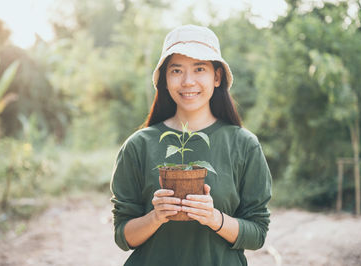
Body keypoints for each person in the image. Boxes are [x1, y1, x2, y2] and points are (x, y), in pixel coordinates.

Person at [110, 24, 272, 266]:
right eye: (176, 70)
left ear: (217, 77)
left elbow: (257, 234)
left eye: (199, 69)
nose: (188, 81)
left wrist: (214, 218)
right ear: (164, 79)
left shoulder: (244, 144)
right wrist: (156, 216)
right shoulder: (138, 146)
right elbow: (123, 236)